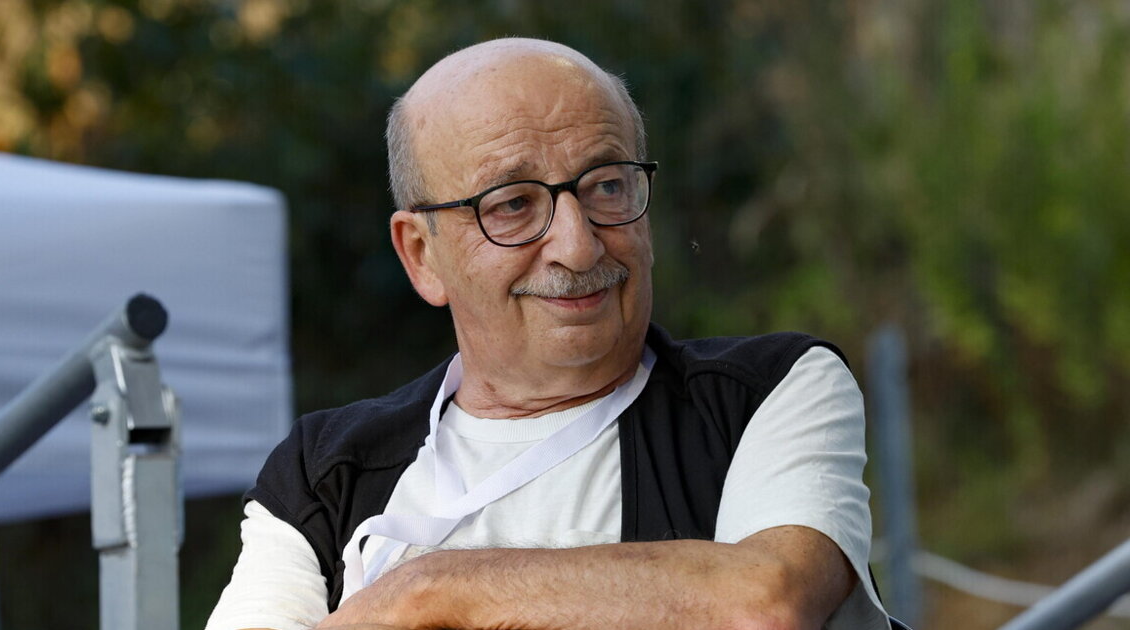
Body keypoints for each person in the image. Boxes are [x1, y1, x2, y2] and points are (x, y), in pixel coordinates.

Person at [206, 37, 892, 630]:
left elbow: (763, 604)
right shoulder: (327, 474)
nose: (578, 245)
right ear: (421, 254)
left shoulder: (761, 395)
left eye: (607, 187)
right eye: (512, 204)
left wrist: (430, 589)